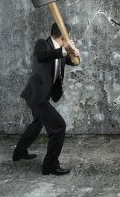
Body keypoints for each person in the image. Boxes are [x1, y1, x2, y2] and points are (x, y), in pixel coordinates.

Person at [12, 23, 80, 176]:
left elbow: (73, 61)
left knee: (37, 123)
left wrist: (75, 54)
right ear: (64, 36)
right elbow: (42, 57)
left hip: (42, 96)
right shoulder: (42, 44)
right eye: (68, 37)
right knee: (58, 127)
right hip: (36, 96)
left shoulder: (61, 52)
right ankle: (50, 166)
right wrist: (64, 50)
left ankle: (19, 152)